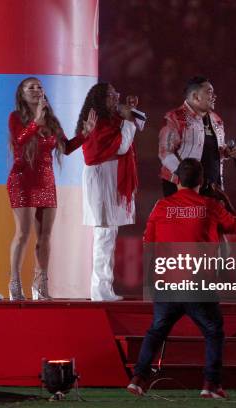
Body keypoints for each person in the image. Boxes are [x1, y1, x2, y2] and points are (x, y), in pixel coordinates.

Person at [127, 159, 236, 398]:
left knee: (156, 331)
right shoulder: (210, 205)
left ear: (176, 179)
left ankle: (138, 379)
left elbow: (148, 241)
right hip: (199, 282)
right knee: (213, 332)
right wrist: (224, 197)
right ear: (201, 181)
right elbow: (235, 226)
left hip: (168, 280)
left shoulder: (161, 206)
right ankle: (210, 385)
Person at [7, 77, 96, 300]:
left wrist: (86, 134)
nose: (37, 90)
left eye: (39, 87)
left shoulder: (52, 120)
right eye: (31, 87)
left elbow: (65, 148)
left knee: (45, 236)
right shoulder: (16, 117)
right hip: (22, 179)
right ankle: (15, 281)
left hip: (46, 180)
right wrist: (36, 122)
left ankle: (40, 284)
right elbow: (19, 140)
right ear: (22, 94)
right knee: (23, 233)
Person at [76, 83, 142, 301]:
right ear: (100, 100)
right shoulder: (97, 122)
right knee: (104, 234)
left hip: (111, 176)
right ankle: (99, 289)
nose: (116, 99)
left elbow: (140, 122)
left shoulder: (114, 119)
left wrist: (129, 113)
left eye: (117, 94)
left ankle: (105, 287)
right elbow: (122, 146)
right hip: (101, 177)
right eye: (112, 96)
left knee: (109, 235)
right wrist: (128, 120)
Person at [158, 76, 236, 197]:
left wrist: (227, 153)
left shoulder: (216, 120)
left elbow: (214, 150)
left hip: (212, 188)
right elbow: (165, 153)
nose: (214, 96)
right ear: (195, 96)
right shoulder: (175, 117)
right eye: (209, 92)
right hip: (181, 189)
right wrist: (186, 178)